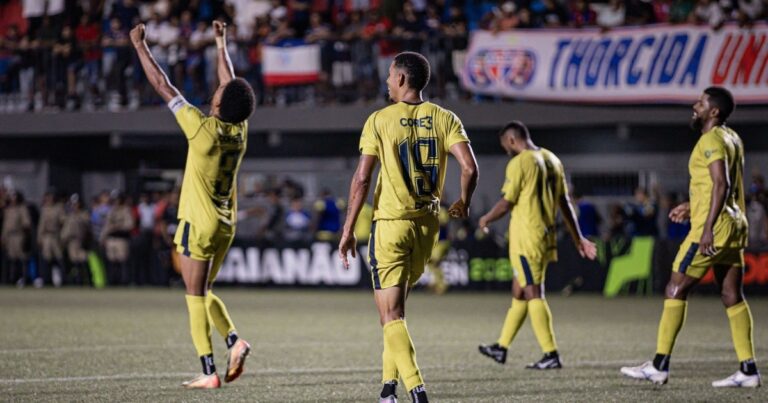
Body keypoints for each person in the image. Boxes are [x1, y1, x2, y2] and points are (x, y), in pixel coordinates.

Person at [338, 51, 479, 403]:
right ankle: (388, 390)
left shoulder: (379, 120)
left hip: (390, 224)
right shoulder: (445, 117)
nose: (387, 81)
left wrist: (348, 229)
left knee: (389, 315)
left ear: (401, 79)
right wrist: (463, 201)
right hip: (426, 227)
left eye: (389, 75)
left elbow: (361, 179)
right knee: (397, 313)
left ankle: (417, 390)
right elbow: (470, 168)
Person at [130, 20, 256, 389]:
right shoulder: (240, 130)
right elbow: (230, 85)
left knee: (194, 296)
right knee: (205, 290)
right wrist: (221, 42)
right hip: (225, 225)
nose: (216, 91)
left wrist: (140, 47)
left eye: (219, 93)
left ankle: (208, 371)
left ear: (218, 102)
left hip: (198, 224)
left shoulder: (201, 130)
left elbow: (163, 85)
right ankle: (235, 341)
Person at [621, 87, 761, 388]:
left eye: (701, 103)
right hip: (735, 227)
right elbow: (720, 186)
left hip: (711, 231)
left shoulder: (710, 139)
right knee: (731, 295)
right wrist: (691, 205)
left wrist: (707, 225)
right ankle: (748, 370)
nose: (695, 106)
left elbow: (721, 184)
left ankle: (659, 365)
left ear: (714, 112)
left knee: (675, 288)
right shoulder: (732, 137)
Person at [477, 121, 597, 369]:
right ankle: (501, 347)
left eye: (505, 146)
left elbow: (507, 202)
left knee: (533, 292)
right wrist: (578, 238)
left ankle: (551, 353)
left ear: (511, 140)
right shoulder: (552, 159)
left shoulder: (520, 162)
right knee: (519, 291)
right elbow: (565, 203)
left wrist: (486, 218)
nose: (505, 151)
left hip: (526, 238)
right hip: (544, 236)